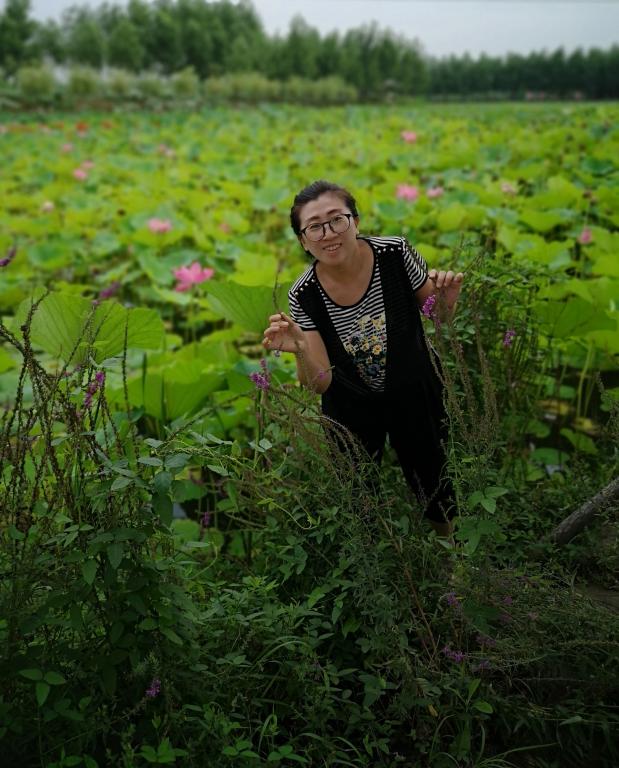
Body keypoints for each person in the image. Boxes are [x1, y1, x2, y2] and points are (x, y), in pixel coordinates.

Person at [262, 180, 463, 537]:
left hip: (415, 389)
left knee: (434, 479)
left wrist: (447, 299)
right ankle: (384, 572)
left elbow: (437, 316)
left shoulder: (396, 253)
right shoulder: (303, 295)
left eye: (336, 219)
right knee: (359, 497)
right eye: (314, 227)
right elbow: (318, 383)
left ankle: (453, 563)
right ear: (303, 241)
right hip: (350, 407)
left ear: (355, 221)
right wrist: (302, 350)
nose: (328, 233)